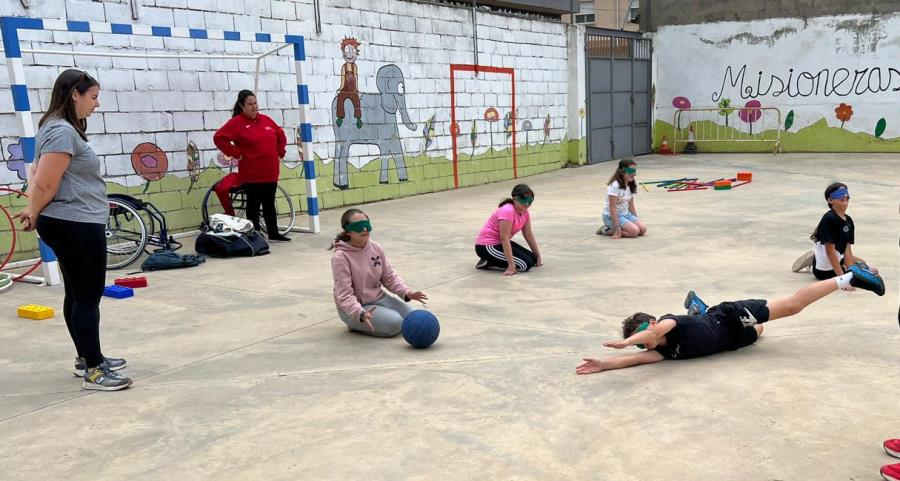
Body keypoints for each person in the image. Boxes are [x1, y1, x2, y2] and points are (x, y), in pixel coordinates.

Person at [13, 69, 131, 391]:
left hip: (72, 220)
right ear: (74, 94)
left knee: (77, 294)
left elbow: (39, 174)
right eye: (93, 97)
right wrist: (34, 209)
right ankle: (95, 371)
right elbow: (46, 180)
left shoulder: (57, 128)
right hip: (74, 223)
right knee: (88, 297)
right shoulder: (62, 130)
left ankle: (87, 358)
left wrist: (34, 207)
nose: (97, 104)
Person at [575, 265, 885, 375]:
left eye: (644, 329)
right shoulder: (662, 352)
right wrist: (604, 363)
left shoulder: (670, 323)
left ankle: (849, 277)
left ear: (653, 323)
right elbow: (634, 361)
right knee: (760, 333)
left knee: (792, 307)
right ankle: (701, 308)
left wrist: (627, 341)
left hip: (731, 316)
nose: (643, 338)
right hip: (733, 341)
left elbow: (647, 337)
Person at [330, 208, 428, 337]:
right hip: (354, 308)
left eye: (367, 225)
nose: (364, 229)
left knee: (413, 317)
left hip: (378, 298)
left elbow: (389, 277)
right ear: (348, 231)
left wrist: (406, 292)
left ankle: (374, 320)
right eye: (358, 226)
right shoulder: (340, 257)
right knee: (396, 323)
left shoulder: (375, 248)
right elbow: (344, 295)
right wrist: (359, 313)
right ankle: (355, 324)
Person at [213, 89, 290, 242]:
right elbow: (219, 137)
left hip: (270, 171)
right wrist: (236, 153)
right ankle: (254, 235)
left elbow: (280, 134)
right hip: (251, 174)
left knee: (269, 204)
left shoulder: (266, 120)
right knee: (253, 206)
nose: (254, 107)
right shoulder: (236, 123)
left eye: (255, 103)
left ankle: (273, 233)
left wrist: (280, 152)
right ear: (242, 106)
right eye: (250, 104)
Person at [792, 182, 878, 277]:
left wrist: (852, 271)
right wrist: (843, 278)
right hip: (823, 271)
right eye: (840, 194)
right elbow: (830, 251)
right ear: (830, 200)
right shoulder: (829, 218)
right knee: (866, 271)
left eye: (846, 193)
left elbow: (847, 250)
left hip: (837, 257)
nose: (845, 195)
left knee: (863, 263)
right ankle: (816, 260)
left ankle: (816, 257)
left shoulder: (848, 221)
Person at [474, 184, 543, 276]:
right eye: (523, 200)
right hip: (487, 246)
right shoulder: (508, 210)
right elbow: (504, 238)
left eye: (530, 201)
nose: (527, 204)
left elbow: (528, 234)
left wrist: (538, 255)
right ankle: (488, 260)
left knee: (533, 259)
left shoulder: (525, 213)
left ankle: (492, 259)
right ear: (514, 198)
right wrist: (511, 265)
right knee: (525, 265)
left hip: (499, 243)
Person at [597, 158, 646, 239]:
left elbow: (631, 205)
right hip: (612, 216)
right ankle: (606, 230)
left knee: (642, 230)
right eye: (631, 171)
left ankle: (623, 227)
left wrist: (635, 220)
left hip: (626, 214)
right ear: (622, 171)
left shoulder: (630, 184)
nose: (634, 174)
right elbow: (612, 208)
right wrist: (617, 229)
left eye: (635, 171)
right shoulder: (615, 185)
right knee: (634, 232)